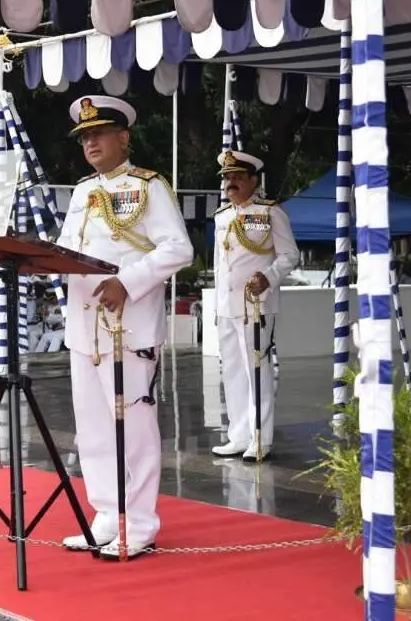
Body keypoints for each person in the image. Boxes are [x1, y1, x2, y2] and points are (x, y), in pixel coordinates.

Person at [55, 95, 192, 560]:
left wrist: (127, 283)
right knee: (91, 430)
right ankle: (106, 517)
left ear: (123, 137)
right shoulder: (80, 192)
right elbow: (66, 251)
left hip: (126, 328)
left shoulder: (149, 186)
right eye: (84, 137)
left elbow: (178, 248)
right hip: (83, 330)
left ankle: (140, 525)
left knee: (133, 428)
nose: (90, 142)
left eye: (98, 133)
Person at [210, 151, 299, 462]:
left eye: (236, 177)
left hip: (256, 305)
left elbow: (290, 255)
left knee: (256, 371)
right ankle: (238, 436)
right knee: (232, 371)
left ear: (253, 180)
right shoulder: (222, 216)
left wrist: (269, 277)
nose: (230, 183)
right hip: (226, 305)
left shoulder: (271, 213)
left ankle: (261, 438)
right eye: (227, 177)